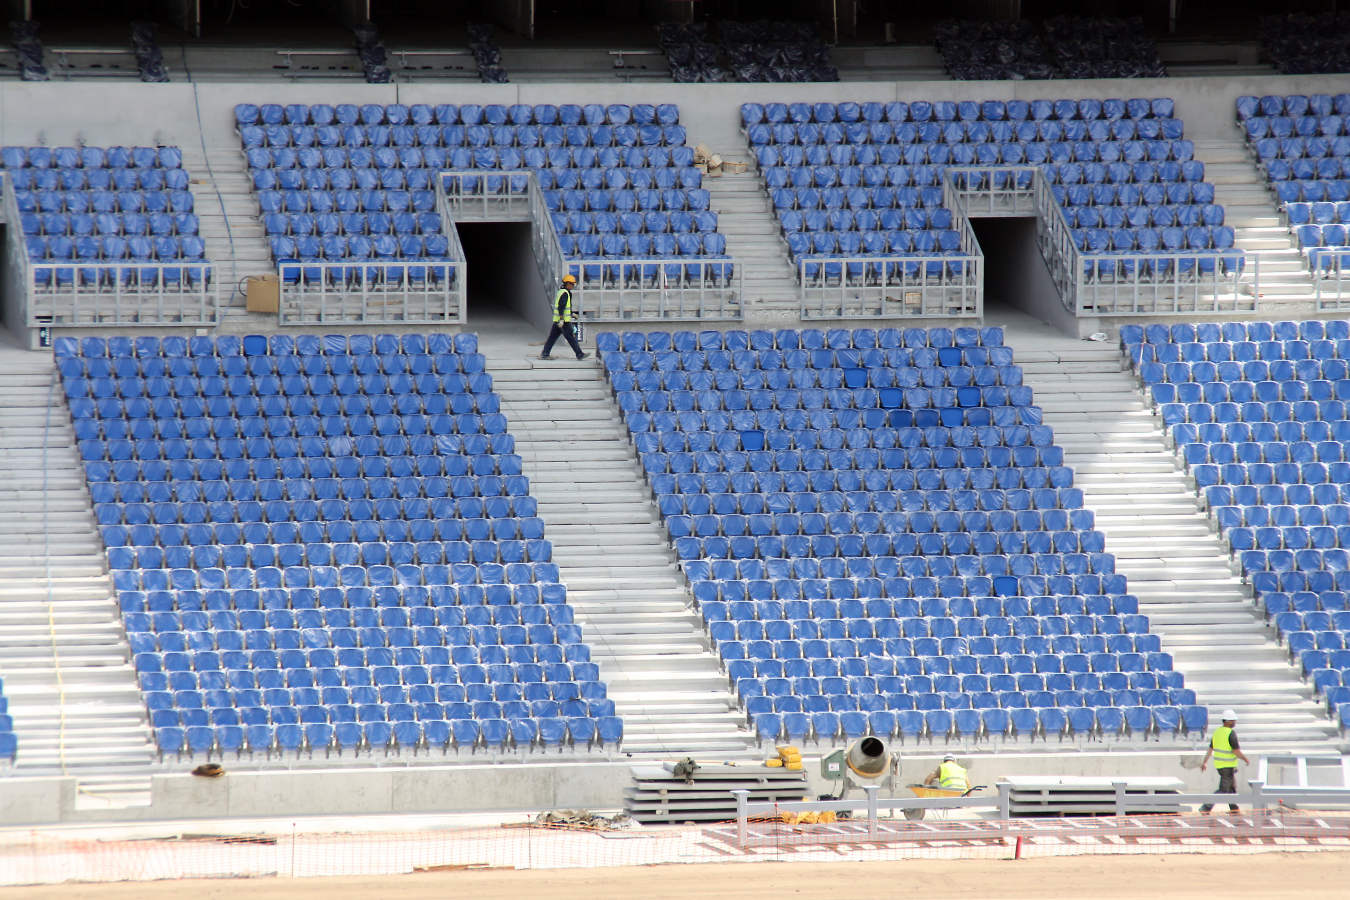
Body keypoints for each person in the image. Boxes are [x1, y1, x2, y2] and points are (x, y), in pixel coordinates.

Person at [1199, 708, 1250, 814]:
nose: (1235, 722)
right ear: (1228, 721)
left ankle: (1234, 809)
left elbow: (1210, 749)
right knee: (1223, 790)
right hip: (1228, 766)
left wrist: (1205, 762)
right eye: (1233, 720)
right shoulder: (1231, 733)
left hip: (1220, 765)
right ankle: (1206, 807)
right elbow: (1236, 751)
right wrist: (1245, 759)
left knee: (1231, 788)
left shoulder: (1217, 732)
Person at [539, 273, 588, 361]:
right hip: (563, 321)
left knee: (552, 338)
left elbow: (565, 307)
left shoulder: (562, 292)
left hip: (558, 321)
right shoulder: (565, 293)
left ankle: (545, 354)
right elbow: (561, 307)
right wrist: (562, 320)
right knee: (571, 338)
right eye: (572, 284)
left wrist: (571, 314)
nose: (573, 286)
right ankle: (579, 354)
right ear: (567, 283)